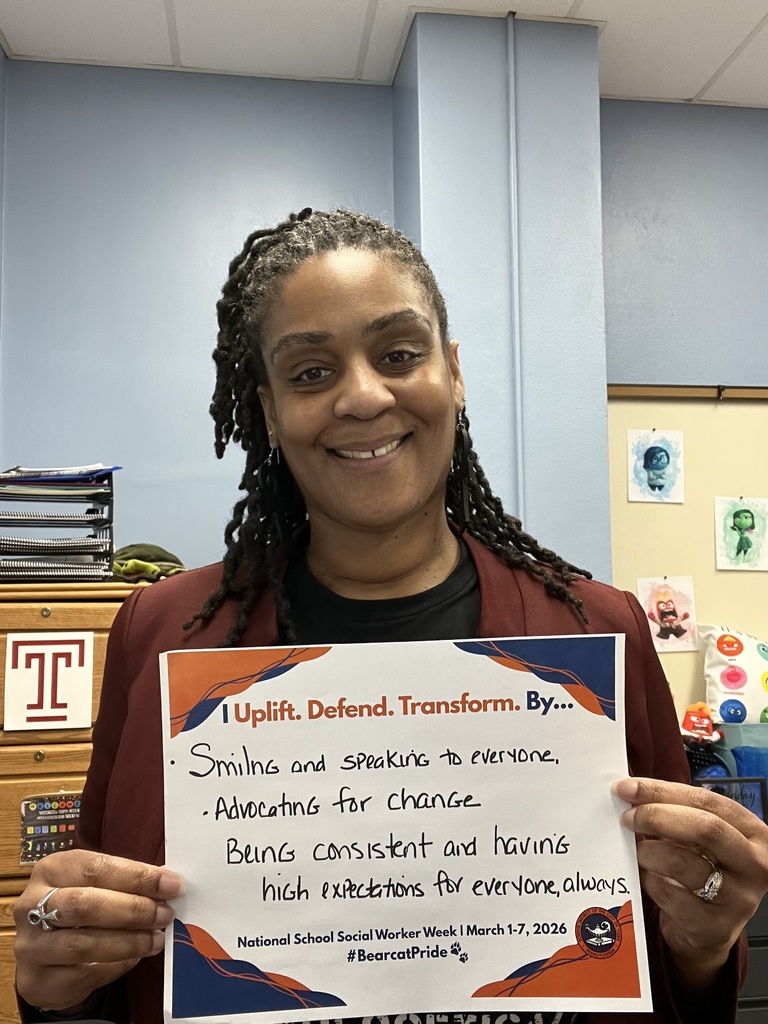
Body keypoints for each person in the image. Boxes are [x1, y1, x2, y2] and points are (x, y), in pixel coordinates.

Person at [13, 209, 768, 1024]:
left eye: (399, 354)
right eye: (309, 373)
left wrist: (702, 943)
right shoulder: (161, 632)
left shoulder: (598, 629)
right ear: (268, 411)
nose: (364, 396)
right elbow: (101, 961)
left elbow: (669, 973)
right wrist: (57, 984)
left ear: (454, 371)